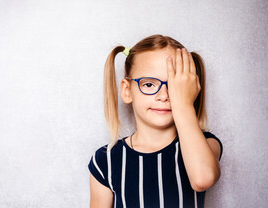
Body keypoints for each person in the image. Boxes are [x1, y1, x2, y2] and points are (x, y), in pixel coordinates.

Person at [88, 34, 223, 208]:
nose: (164, 96)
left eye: (174, 86)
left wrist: (182, 102)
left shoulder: (206, 144)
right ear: (127, 90)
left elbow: (203, 179)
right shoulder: (104, 161)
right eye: (149, 85)